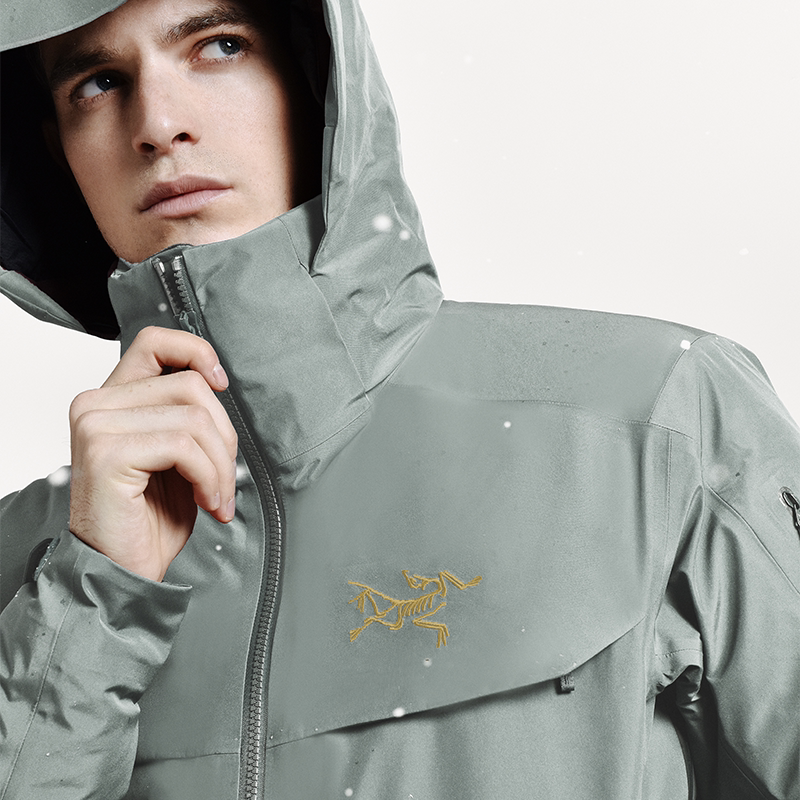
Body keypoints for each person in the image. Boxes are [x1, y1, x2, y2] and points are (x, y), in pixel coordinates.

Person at [1, 0, 800, 798]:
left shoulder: (659, 424)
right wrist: (93, 598)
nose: (158, 125)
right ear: (55, 150)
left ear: (314, 78)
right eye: (98, 83)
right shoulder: (28, 557)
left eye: (220, 46)